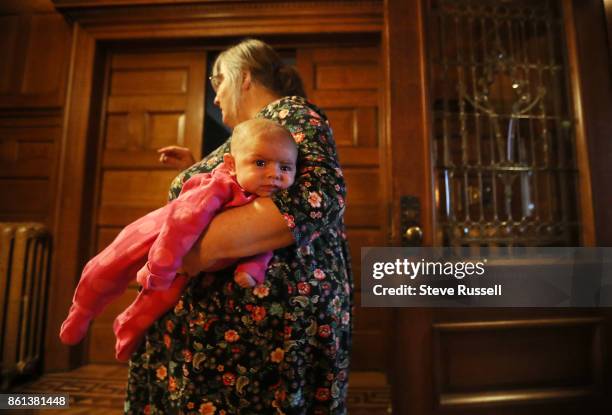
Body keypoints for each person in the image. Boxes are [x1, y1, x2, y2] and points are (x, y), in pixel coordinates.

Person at [126, 38, 352, 414]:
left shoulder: (290, 113)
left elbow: (318, 199)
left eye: (219, 82)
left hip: (252, 335)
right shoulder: (254, 132)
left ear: (245, 77)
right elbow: (244, 198)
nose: (215, 99)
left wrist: (187, 254)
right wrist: (196, 167)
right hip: (221, 335)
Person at [60, 118, 298, 362]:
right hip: (160, 231)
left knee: (161, 299)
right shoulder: (219, 184)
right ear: (232, 164)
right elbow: (183, 222)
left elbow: (264, 243)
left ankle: (127, 327)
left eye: (286, 168)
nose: (274, 174)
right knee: (108, 266)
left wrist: (252, 268)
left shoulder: (268, 202)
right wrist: (161, 268)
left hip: (188, 258)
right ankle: (82, 310)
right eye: (261, 163)